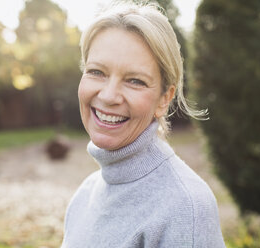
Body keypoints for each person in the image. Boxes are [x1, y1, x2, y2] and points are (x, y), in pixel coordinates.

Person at [61, 1, 225, 247]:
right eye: (97, 72)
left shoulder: (186, 207)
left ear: (164, 99)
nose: (108, 95)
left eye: (135, 81)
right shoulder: (85, 194)